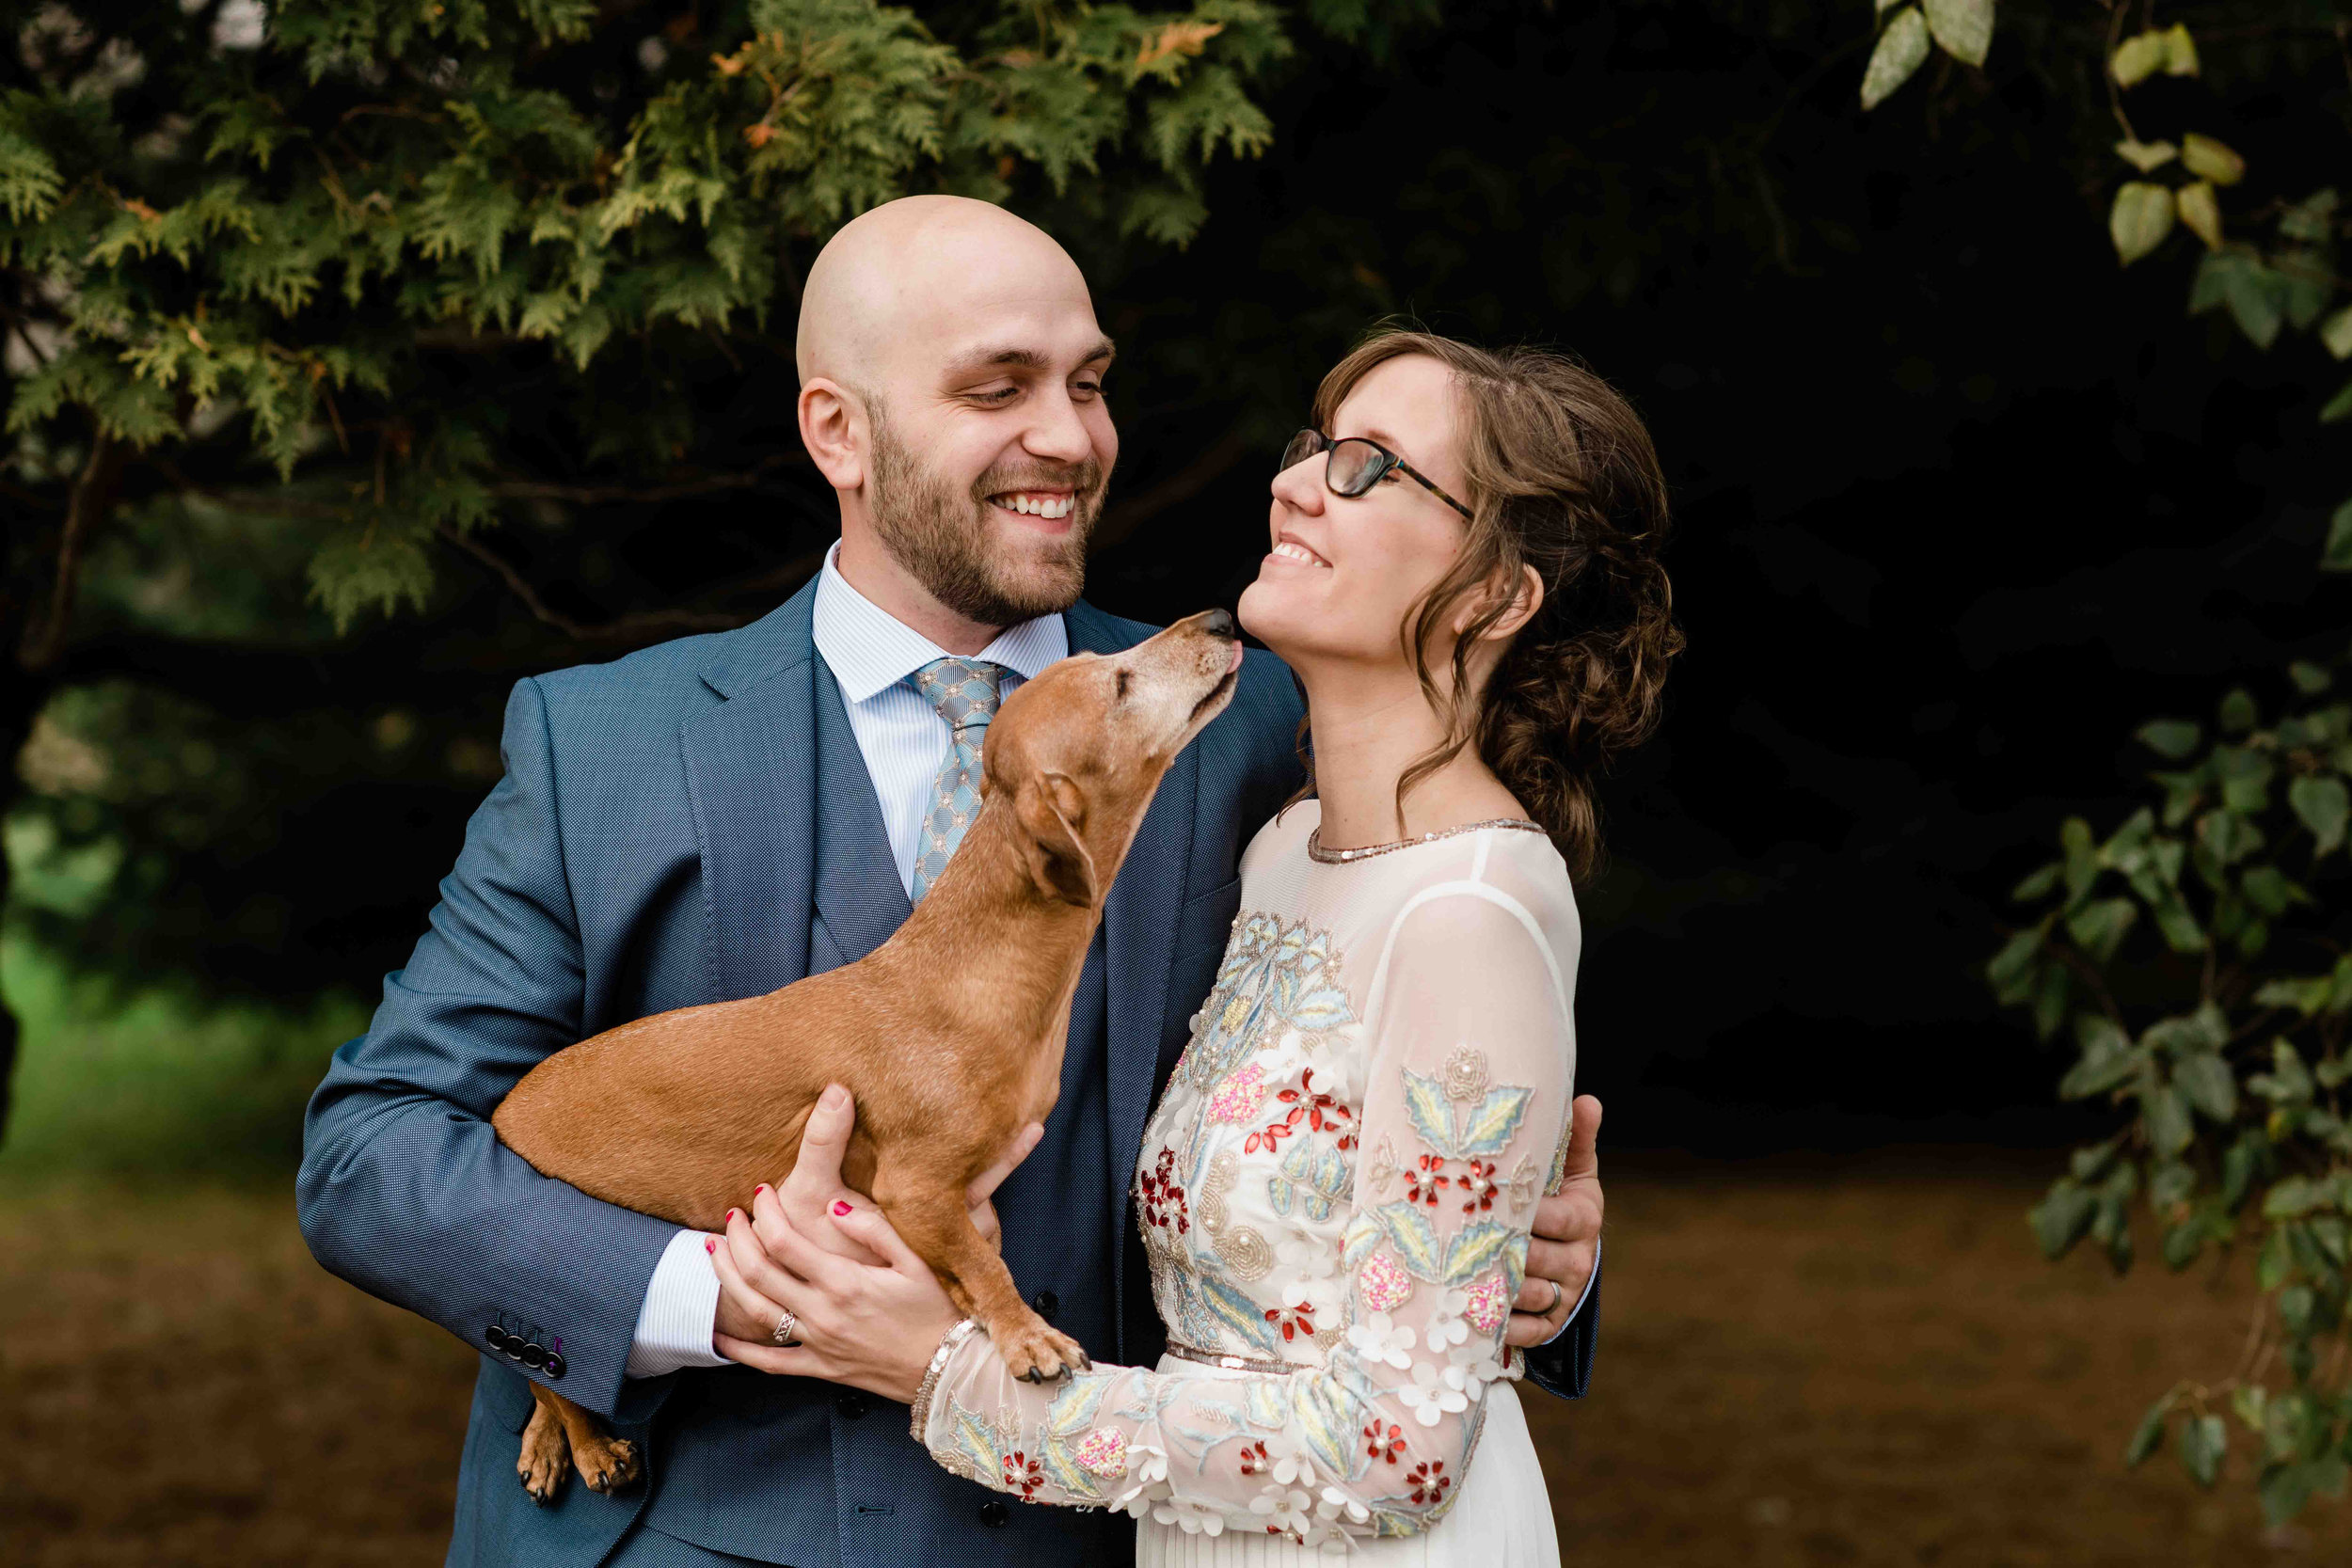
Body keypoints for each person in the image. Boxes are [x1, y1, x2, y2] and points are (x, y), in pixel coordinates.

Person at [296, 197, 1609, 1568]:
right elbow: (373, 1152)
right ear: (837, 432)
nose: (1069, 436)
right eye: (999, 387)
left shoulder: (1251, 732)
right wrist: (709, 1295)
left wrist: (1526, 1244)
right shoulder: (604, 747)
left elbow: (1435, 1056)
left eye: (1088, 384)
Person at [701, 322, 1675, 1559]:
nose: (1294, 483)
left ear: (1494, 596)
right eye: (1314, 446)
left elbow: (1395, 1455)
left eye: (1371, 466)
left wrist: (948, 1375)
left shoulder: (1468, 911)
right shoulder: (1279, 846)